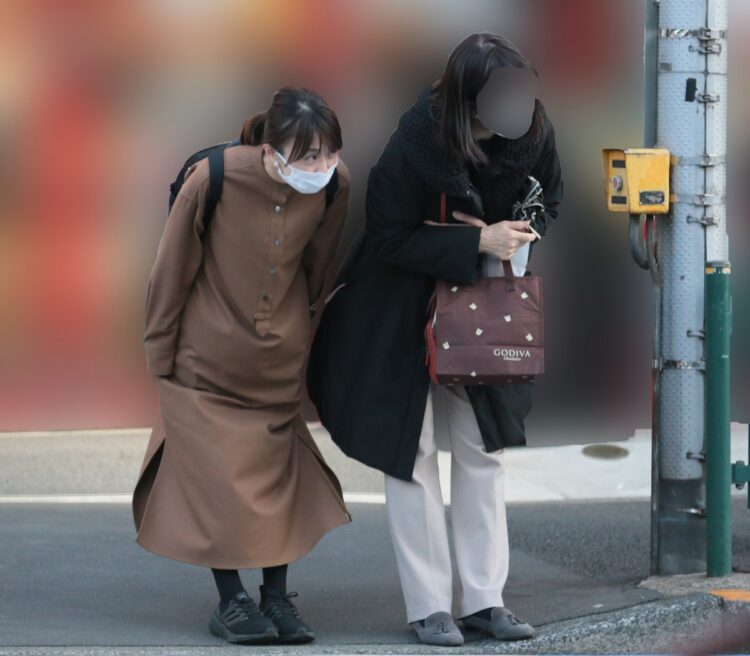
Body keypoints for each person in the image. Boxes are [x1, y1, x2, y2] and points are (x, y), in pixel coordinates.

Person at [307, 33, 563, 646]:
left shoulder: (533, 131)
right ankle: (428, 606)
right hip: (398, 311)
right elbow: (388, 238)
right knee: (412, 453)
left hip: (483, 308)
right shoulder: (415, 142)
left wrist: (521, 231)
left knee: (482, 451)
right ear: (468, 98)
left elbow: (552, 198)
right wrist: (474, 241)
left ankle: (484, 599)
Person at [132, 86, 352, 645]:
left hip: (276, 364)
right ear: (272, 151)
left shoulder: (334, 187)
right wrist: (160, 353)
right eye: (307, 156)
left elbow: (318, 273)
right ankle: (231, 601)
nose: (321, 167)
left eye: (329, 152)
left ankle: (276, 598)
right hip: (202, 361)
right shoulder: (214, 178)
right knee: (217, 486)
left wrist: (301, 339)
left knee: (277, 484)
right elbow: (170, 269)